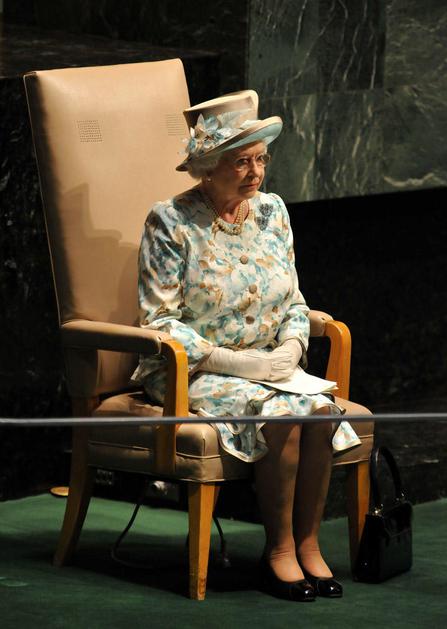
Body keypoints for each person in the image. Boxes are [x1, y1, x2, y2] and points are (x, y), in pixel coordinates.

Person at [132, 90, 371, 602]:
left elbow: (293, 300)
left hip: (272, 367)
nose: (255, 172)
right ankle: (279, 550)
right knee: (282, 414)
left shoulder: (272, 212)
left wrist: (291, 346)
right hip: (193, 370)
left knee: (320, 412)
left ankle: (308, 544)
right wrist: (241, 363)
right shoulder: (170, 221)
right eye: (241, 162)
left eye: (261, 159)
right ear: (207, 168)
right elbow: (160, 322)